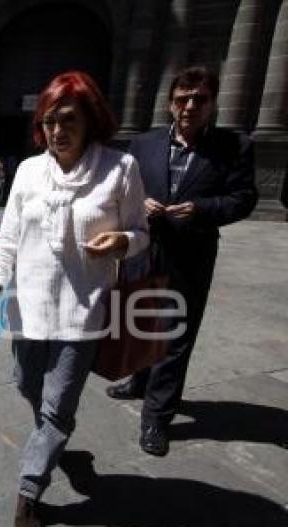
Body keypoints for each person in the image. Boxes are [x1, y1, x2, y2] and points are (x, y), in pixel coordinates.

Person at [0, 71, 149, 527]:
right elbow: (9, 236)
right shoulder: (29, 171)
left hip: (83, 314)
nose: (58, 130)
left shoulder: (120, 169)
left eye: (69, 119)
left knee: (57, 409)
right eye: (50, 121)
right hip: (29, 310)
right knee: (26, 384)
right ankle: (52, 440)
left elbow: (141, 233)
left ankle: (29, 490)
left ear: (91, 120)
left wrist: (123, 241)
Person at [105, 66, 258, 457]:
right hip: (144, 248)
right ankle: (138, 381)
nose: (189, 106)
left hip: (191, 255)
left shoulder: (234, 146)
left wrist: (203, 209)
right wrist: (139, 203)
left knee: (174, 337)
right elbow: (121, 190)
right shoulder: (143, 144)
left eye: (199, 99)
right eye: (181, 99)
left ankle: (156, 416)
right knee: (137, 321)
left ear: (212, 103)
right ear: (170, 103)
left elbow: (244, 198)